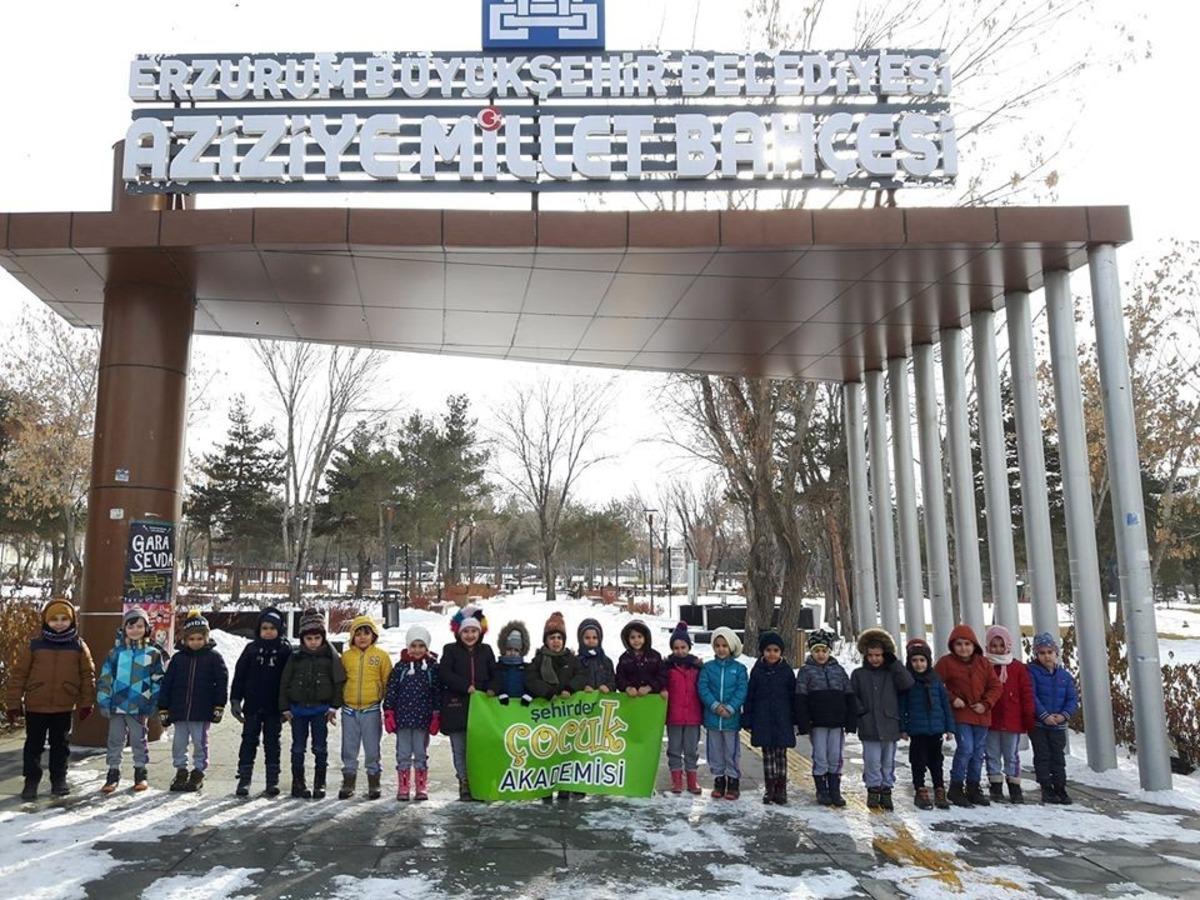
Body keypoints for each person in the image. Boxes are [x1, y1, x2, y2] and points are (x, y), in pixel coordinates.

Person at [6, 598, 97, 801]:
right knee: (33, 745)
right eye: (54, 619)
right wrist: (13, 704)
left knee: (60, 745)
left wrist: (86, 702)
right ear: (46, 621)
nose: (59, 623)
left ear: (72, 621)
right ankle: (31, 781)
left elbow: (87, 675)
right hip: (36, 705)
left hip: (63, 705)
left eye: (64, 619)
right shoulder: (34, 645)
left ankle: (59, 779)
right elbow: (19, 674)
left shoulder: (78, 646)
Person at [96, 606, 165, 794]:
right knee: (115, 739)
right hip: (117, 705)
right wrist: (104, 700)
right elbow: (105, 678)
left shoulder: (152, 654)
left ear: (147, 629)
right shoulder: (115, 654)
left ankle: (140, 771)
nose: (135, 630)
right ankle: (113, 772)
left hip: (139, 706)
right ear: (124, 629)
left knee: (138, 739)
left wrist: (155, 702)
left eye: (140, 626)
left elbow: (158, 679)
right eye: (131, 626)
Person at [279, 609, 346, 800]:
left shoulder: (329, 658)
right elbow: (284, 682)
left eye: (317, 637)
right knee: (298, 747)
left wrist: (334, 706)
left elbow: (338, 683)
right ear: (303, 639)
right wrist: (285, 707)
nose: (314, 642)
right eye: (309, 638)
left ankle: (320, 783)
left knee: (320, 747)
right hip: (298, 710)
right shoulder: (295, 656)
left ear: (323, 637)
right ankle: (298, 782)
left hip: (320, 710)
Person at [158, 610, 229, 793]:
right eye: (192, 639)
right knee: (179, 743)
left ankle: (198, 771)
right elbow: (167, 683)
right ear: (185, 640)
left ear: (206, 638)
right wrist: (163, 707)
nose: (196, 642)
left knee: (200, 742)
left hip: (201, 710)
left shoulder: (214, 658)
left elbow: (221, 683)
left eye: (199, 638)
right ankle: (181, 770)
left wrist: (219, 706)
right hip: (179, 711)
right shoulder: (178, 659)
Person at [934, 624, 1002, 807]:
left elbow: (995, 686)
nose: (963, 648)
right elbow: (934, 684)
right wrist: (952, 698)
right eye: (959, 644)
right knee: (966, 748)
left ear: (974, 645)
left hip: (981, 713)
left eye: (967, 644)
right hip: (961, 713)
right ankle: (956, 786)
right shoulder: (946, 663)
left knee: (979, 752)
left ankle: (973, 786)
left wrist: (986, 703)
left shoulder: (983, 663)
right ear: (952, 646)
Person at [229, 607, 291, 797]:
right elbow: (239, 676)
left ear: (279, 629)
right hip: (253, 706)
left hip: (275, 707)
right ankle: (244, 779)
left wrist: (288, 706)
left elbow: (290, 679)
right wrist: (235, 700)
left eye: (273, 628)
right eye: (265, 628)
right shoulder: (251, 649)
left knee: (272, 743)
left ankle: (272, 780)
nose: (268, 631)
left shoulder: (284, 649)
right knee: (249, 741)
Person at [527, 611, 588, 803]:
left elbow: (581, 675)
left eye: (559, 637)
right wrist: (547, 692)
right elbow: (530, 679)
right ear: (546, 640)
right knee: (546, 754)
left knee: (566, 753)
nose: (556, 641)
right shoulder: (538, 660)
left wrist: (570, 688)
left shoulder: (571, 659)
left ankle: (564, 789)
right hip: (547, 716)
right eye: (552, 637)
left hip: (568, 718)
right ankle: (545, 790)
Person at [851, 628, 914, 811]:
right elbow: (852, 695)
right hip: (869, 725)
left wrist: (895, 664)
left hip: (889, 724)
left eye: (878, 655)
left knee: (888, 760)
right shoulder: (859, 674)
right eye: (871, 655)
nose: (875, 659)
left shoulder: (892, 673)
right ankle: (873, 788)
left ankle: (886, 789)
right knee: (872, 760)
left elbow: (907, 683)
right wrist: (861, 713)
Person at [793, 628, 856, 807]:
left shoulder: (838, 670)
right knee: (820, 755)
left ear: (829, 651)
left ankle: (835, 789)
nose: (821, 654)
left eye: (824, 651)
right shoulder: (806, 672)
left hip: (837, 722)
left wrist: (851, 720)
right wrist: (804, 722)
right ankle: (821, 789)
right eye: (817, 651)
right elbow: (801, 698)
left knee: (835, 755)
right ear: (811, 652)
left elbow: (849, 695)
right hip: (817, 722)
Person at [439, 606, 496, 801]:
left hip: (481, 709)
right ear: (459, 632)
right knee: (460, 747)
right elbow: (445, 674)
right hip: (456, 707)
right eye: (466, 631)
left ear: (480, 632)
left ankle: (480, 779)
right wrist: (465, 686)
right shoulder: (450, 650)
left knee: (479, 747)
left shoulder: (486, 651)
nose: (470, 635)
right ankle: (463, 780)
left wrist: (490, 688)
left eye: (474, 631)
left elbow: (494, 673)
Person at [339, 615, 393, 801]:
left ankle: (373, 780)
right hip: (349, 710)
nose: (362, 637)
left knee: (372, 748)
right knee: (349, 748)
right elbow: (339, 680)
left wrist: (388, 705)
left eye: (366, 633)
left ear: (373, 635)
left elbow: (388, 682)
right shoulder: (346, 657)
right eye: (358, 633)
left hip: (371, 709)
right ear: (352, 636)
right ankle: (348, 780)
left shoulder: (381, 657)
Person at [383, 624, 440, 802]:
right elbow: (391, 690)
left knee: (421, 753)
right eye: (413, 646)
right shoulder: (400, 668)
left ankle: (421, 786)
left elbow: (437, 691)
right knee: (403, 753)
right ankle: (404, 785)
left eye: (421, 646)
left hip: (423, 720)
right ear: (408, 646)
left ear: (427, 648)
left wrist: (436, 714)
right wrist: (388, 711)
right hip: (403, 720)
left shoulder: (431, 668)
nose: (417, 650)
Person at [899, 638, 955, 810]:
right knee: (918, 760)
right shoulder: (908, 682)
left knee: (936, 761)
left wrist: (949, 727)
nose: (918, 664)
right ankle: (920, 789)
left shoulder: (935, 681)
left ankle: (939, 788)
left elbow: (945, 705)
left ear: (928, 661)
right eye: (914, 660)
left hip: (935, 729)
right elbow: (903, 707)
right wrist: (903, 727)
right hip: (917, 730)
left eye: (922, 660)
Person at [742, 630, 797, 805]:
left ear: (781, 652)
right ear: (762, 652)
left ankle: (781, 788)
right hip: (763, 720)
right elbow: (750, 697)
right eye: (768, 650)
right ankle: (770, 787)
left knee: (781, 755)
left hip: (782, 719)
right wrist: (748, 719)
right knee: (767, 756)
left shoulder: (787, 671)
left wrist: (795, 719)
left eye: (775, 650)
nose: (772, 654)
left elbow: (794, 697)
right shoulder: (757, 671)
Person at [984, 624, 1035, 803]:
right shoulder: (984, 666)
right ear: (987, 647)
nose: (997, 649)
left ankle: (1014, 785)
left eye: (1000, 645)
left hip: (1012, 719)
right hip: (990, 719)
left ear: (1008, 645)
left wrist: (1028, 716)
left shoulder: (1018, 668)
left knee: (1011, 754)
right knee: (992, 753)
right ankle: (995, 785)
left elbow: (1026, 693)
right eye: (993, 645)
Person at [1027, 631, 1079, 805]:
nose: (1046, 656)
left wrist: (1063, 715)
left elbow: (1072, 699)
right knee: (1042, 756)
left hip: (1058, 724)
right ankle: (1046, 787)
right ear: (1036, 654)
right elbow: (1032, 696)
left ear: (1056, 653)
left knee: (1058, 756)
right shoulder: (1031, 672)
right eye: (1042, 653)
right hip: (1039, 724)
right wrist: (1044, 715)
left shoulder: (1064, 676)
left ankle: (1060, 787)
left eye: (1050, 652)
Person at [698, 627, 747, 800]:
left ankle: (733, 781)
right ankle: (719, 780)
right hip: (713, 719)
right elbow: (702, 688)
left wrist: (731, 707)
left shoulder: (739, 669)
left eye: (724, 645)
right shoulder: (708, 668)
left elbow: (742, 690)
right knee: (715, 751)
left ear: (731, 647)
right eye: (717, 645)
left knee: (731, 752)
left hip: (730, 720)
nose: (721, 649)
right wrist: (714, 705)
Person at [663, 621, 704, 795]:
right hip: (674, 716)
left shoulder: (697, 667)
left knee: (691, 750)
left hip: (693, 716)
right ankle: (677, 781)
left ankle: (692, 781)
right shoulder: (667, 667)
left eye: (683, 647)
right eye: (676, 648)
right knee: (674, 750)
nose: (680, 651)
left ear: (689, 646)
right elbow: (662, 686)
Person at [615, 620, 665, 696]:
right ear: (627, 640)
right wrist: (627, 688)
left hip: (652, 698)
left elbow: (662, 676)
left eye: (639, 636)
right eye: (632, 637)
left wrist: (650, 687)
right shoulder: (624, 659)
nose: (636, 640)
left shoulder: (655, 656)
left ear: (646, 637)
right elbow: (619, 678)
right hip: (631, 699)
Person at [489, 620, 533, 705]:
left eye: (516, 650)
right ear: (503, 649)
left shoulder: (527, 668)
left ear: (522, 651)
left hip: (522, 709)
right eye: (509, 649)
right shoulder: (497, 667)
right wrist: (499, 693)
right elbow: (493, 684)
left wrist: (529, 695)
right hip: (501, 709)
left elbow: (532, 685)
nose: (512, 653)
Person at [576, 618, 616, 693]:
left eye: (594, 638)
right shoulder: (576, 661)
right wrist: (582, 687)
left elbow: (613, 681)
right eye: (587, 638)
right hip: (583, 702)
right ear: (581, 639)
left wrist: (608, 687)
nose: (591, 641)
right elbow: (572, 682)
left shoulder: (606, 661)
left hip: (602, 701)